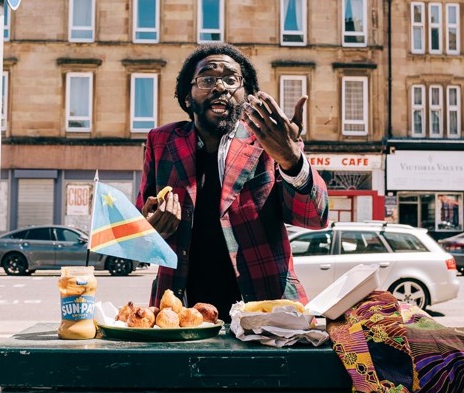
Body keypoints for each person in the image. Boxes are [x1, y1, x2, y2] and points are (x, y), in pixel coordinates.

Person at [136, 43, 329, 321]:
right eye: (207, 79)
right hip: (180, 315)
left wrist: (292, 159)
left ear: (246, 95)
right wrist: (151, 228)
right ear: (187, 97)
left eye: (231, 79)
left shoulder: (271, 140)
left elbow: (315, 218)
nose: (220, 87)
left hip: (267, 312)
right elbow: (142, 228)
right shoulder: (161, 142)